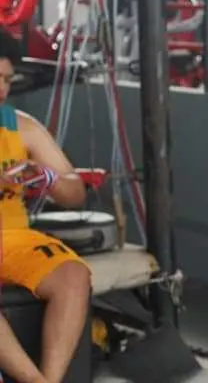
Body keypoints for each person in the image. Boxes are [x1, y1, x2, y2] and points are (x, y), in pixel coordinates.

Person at [0, 29, 94, 383]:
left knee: (74, 275)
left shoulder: (20, 127)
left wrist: (47, 180)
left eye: (7, 80)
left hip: (13, 237)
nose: (2, 89)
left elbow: (75, 193)